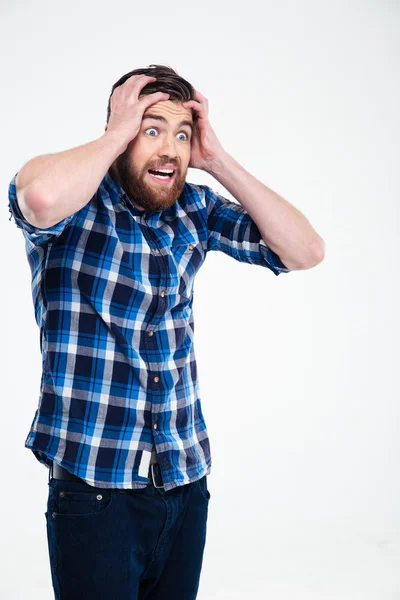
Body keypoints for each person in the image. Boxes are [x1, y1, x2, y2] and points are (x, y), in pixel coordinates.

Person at [8, 64, 325, 599]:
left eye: (181, 134)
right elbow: (37, 201)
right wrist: (115, 134)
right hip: (95, 488)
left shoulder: (194, 209)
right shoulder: (69, 195)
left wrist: (217, 160)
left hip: (184, 482)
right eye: (151, 129)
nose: (170, 150)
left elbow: (305, 251)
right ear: (121, 128)